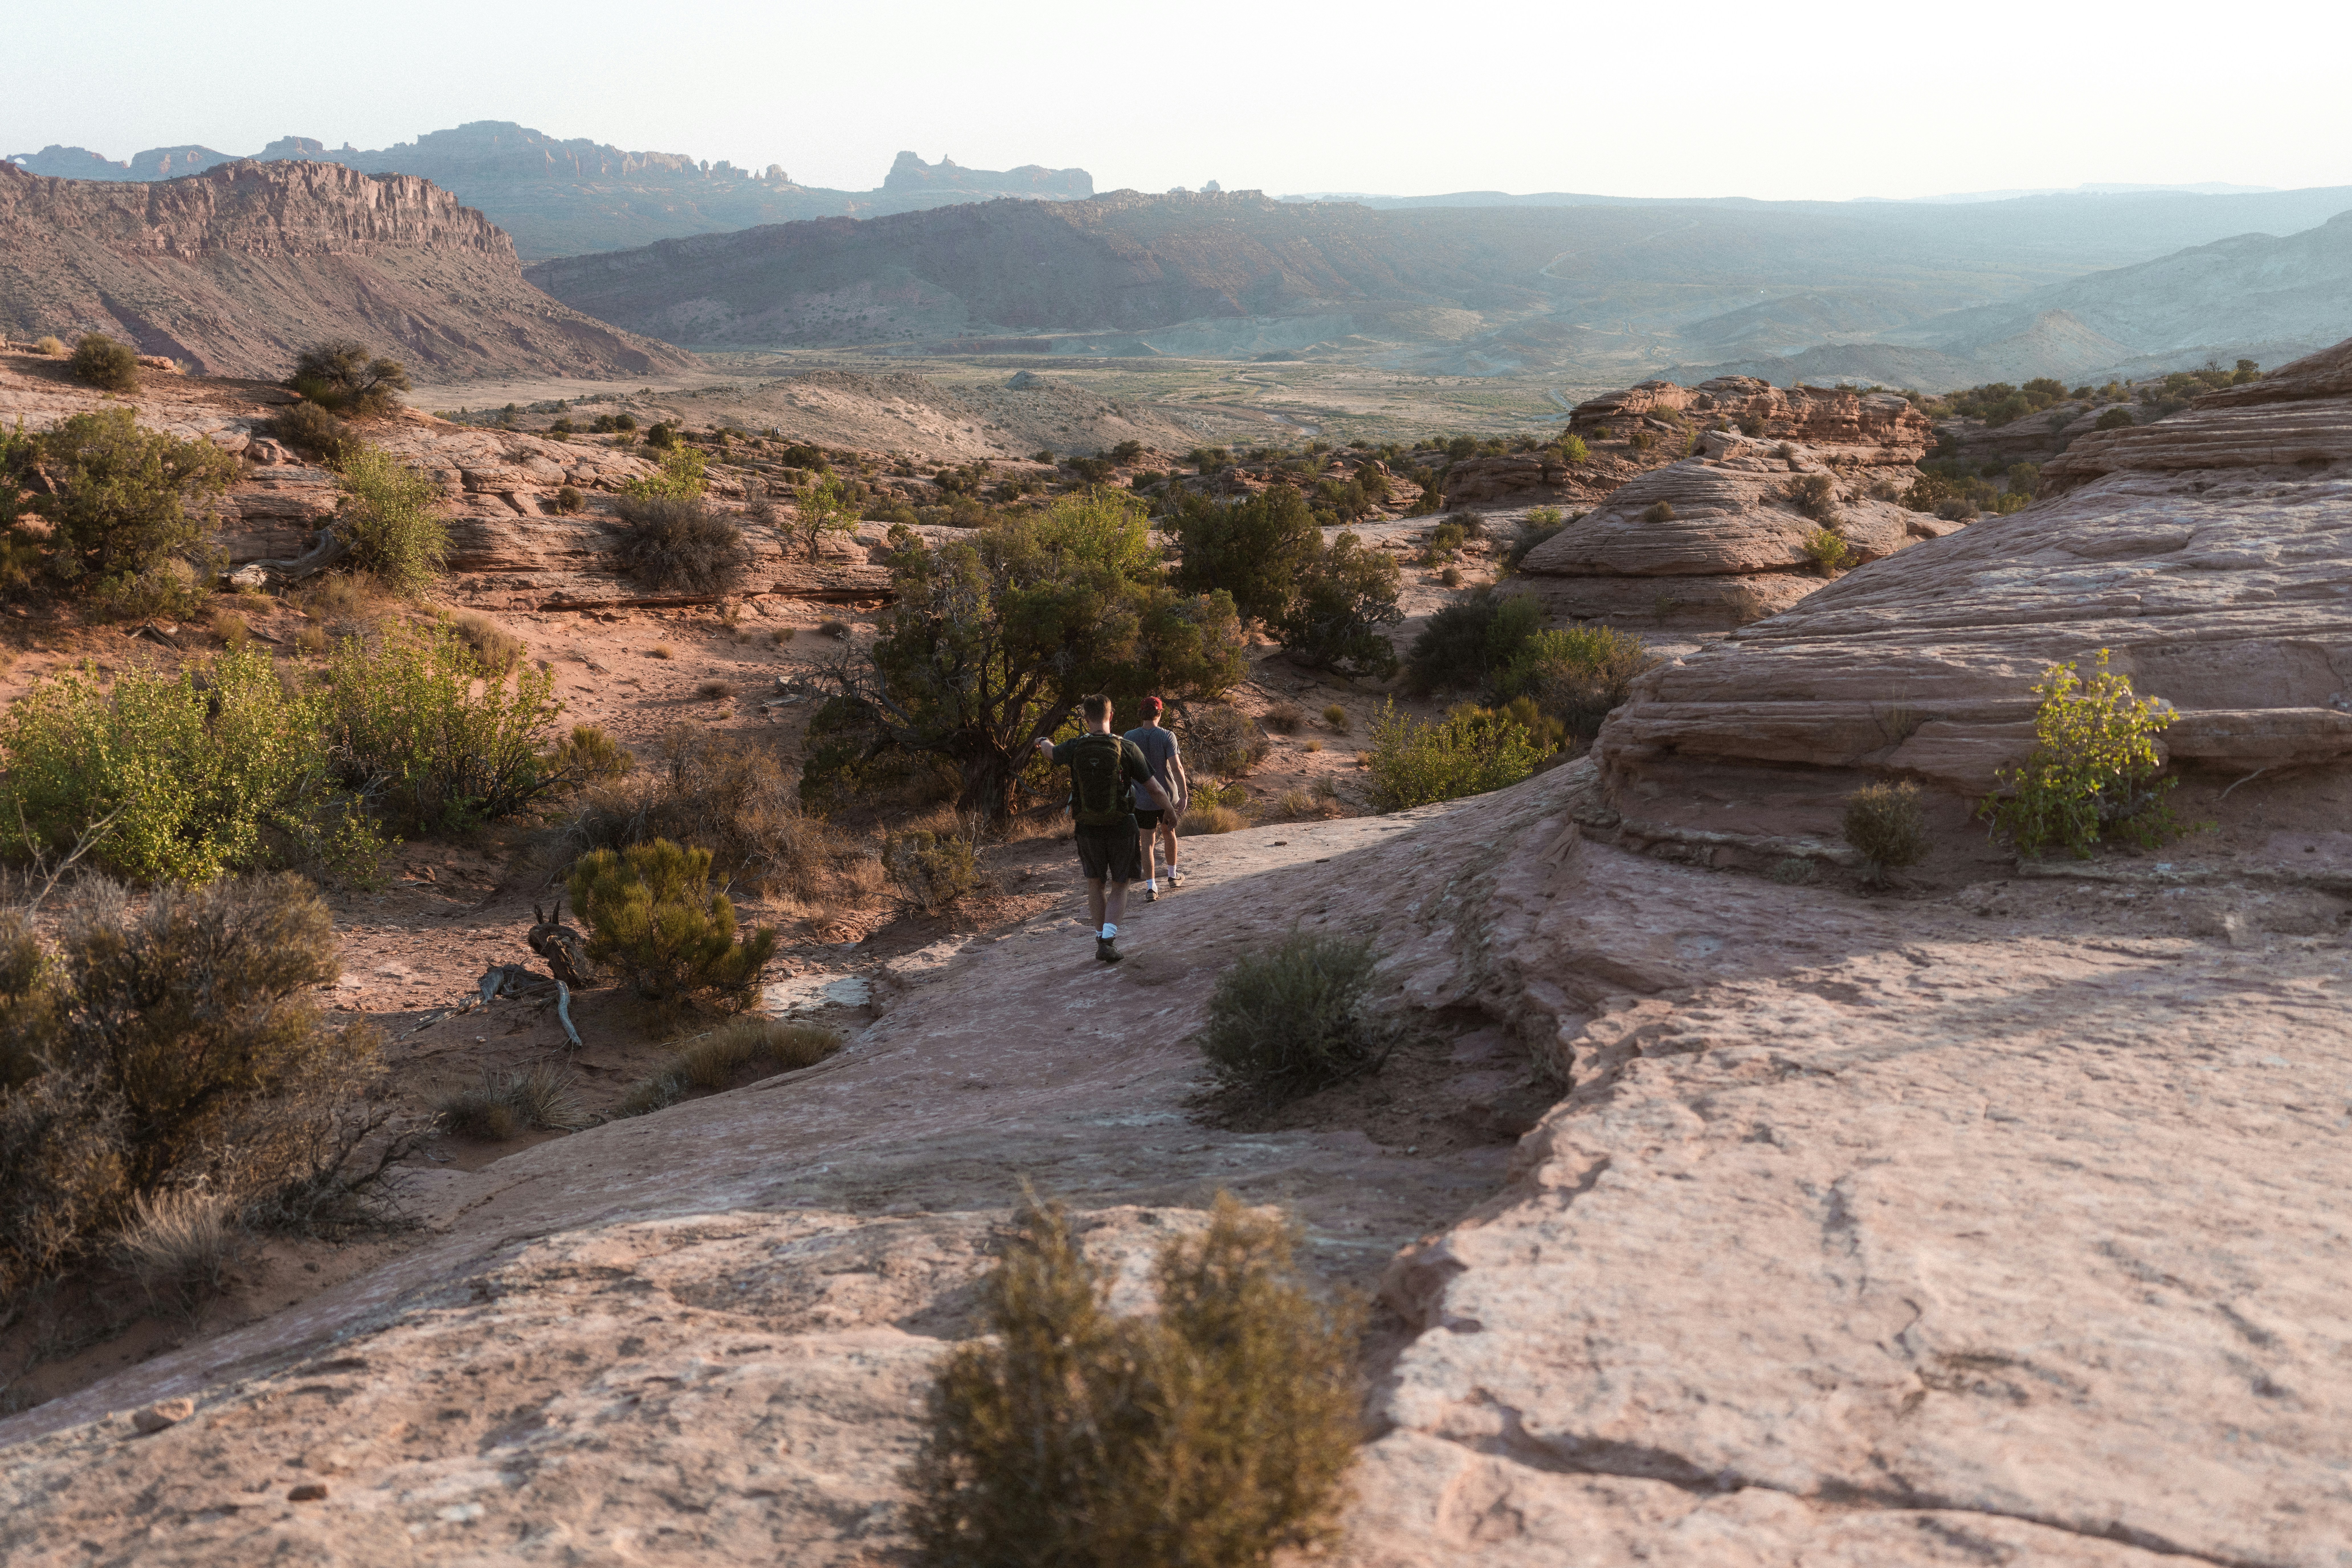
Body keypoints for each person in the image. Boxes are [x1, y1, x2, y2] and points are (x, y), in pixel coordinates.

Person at [1034, 694, 1171, 963]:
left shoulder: (1075, 746)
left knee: (1095, 884)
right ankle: (1108, 941)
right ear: (1111, 717)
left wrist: (1042, 741)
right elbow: (1154, 788)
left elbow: (1051, 752)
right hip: (1122, 826)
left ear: (1086, 719)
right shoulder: (1127, 747)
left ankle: (1100, 937)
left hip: (1087, 827)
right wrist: (1169, 810)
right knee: (1121, 885)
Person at [1123, 696, 1189, 901]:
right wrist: (1184, 794)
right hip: (1167, 797)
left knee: (1147, 842)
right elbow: (1177, 767)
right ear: (1160, 713)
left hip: (1142, 798)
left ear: (1141, 713)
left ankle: (1151, 888)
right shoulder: (1167, 736)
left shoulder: (1129, 736)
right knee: (1169, 833)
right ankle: (1172, 876)